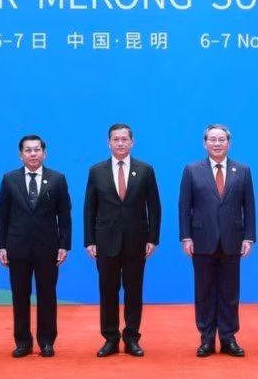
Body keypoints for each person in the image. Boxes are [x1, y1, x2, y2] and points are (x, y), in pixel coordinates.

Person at [84, 123, 161, 357]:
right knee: (107, 291)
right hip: (105, 241)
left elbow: (154, 207)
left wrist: (152, 238)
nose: (120, 143)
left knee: (134, 291)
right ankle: (110, 338)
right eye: (115, 139)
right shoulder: (97, 170)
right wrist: (90, 240)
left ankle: (131, 338)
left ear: (132, 142)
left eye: (124, 139)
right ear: (109, 143)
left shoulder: (145, 169)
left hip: (136, 241)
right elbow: (89, 208)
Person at [179, 124, 255, 357]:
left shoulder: (242, 170)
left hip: (233, 240)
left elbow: (249, 207)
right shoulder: (192, 170)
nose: (217, 143)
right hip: (202, 240)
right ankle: (206, 339)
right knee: (204, 291)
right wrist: (186, 236)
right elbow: (184, 206)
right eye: (212, 139)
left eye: (222, 140)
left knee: (230, 292)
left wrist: (249, 237)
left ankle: (228, 337)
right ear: (205, 143)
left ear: (229, 143)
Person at [0, 135, 72, 358]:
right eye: (27, 150)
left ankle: (46, 341)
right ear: (21, 155)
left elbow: (65, 215)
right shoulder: (9, 179)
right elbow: (2, 216)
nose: (32, 154)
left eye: (37, 150)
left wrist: (64, 244)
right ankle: (23, 342)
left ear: (44, 153)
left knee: (47, 295)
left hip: (48, 247)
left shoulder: (57, 179)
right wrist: (1, 246)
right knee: (20, 295)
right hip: (16, 247)